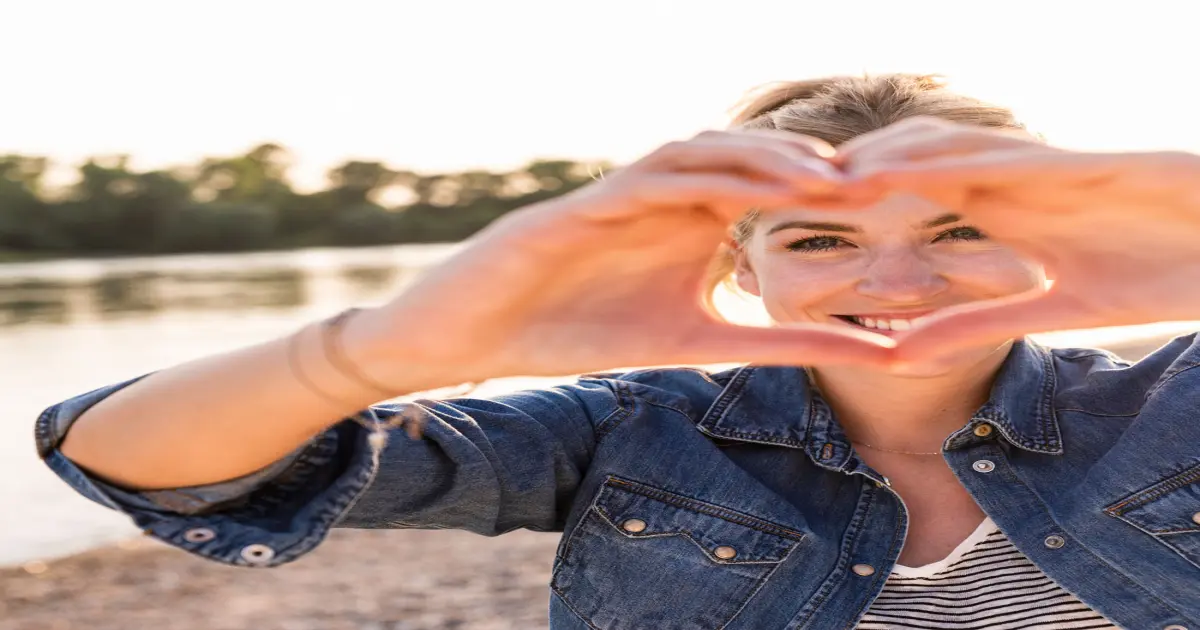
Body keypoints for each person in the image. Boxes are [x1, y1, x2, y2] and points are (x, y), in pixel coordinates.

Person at [35, 74, 1200, 630]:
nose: (897, 282)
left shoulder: (1174, 397)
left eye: (959, 229)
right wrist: (381, 351)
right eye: (822, 239)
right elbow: (147, 462)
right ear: (744, 268)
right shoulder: (635, 429)